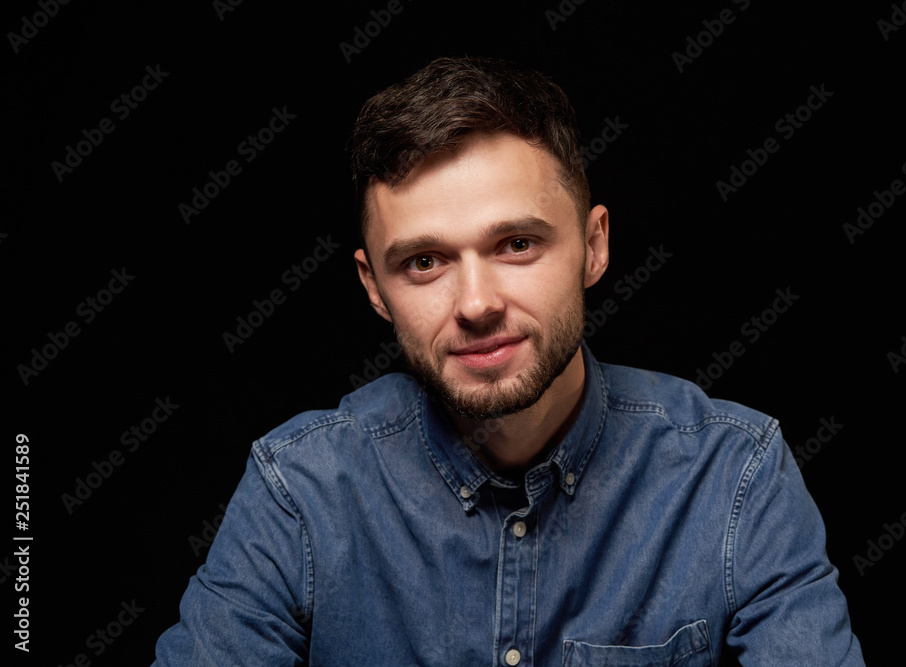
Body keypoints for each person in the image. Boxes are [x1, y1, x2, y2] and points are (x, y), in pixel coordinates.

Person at [153, 56, 865, 666]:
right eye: (425, 261)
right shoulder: (301, 490)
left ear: (594, 245)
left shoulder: (735, 477)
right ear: (375, 288)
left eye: (517, 244)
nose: (476, 303)